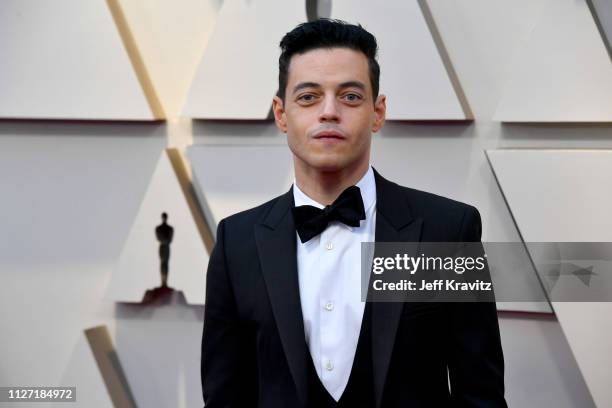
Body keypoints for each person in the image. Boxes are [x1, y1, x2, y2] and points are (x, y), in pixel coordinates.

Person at [201, 19, 507, 407]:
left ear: (377, 112)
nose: (329, 112)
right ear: (281, 113)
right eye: (309, 97)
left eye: (349, 97)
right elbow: (224, 397)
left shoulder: (445, 231)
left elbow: (480, 394)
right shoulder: (236, 241)